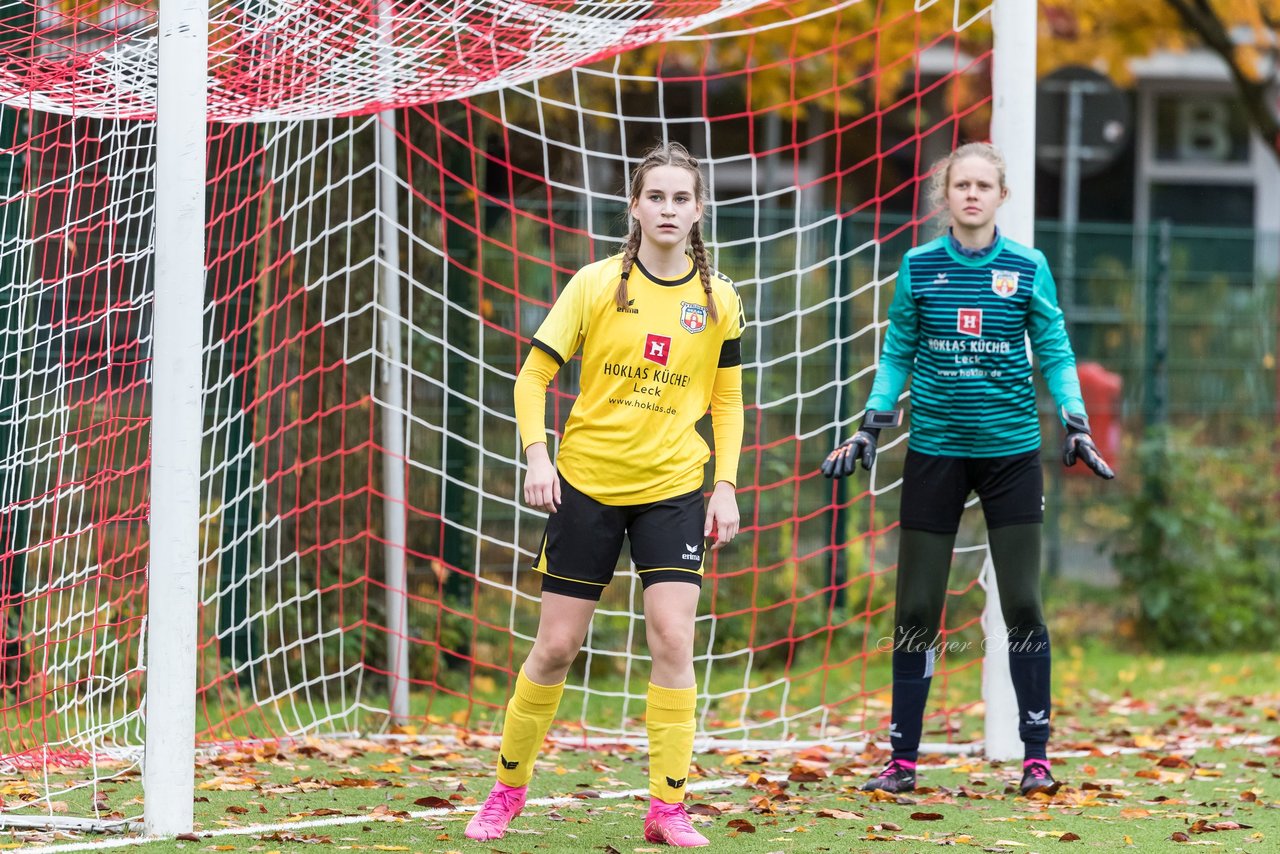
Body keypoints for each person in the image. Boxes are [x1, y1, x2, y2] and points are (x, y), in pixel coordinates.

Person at [466, 141, 745, 848]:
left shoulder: (719, 300)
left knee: (674, 637)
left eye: (682, 198)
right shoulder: (593, 284)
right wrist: (538, 456)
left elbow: (729, 399)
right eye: (657, 197)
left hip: (676, 488)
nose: (669, 209)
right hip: (585, 484)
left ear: (699, 210)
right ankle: (506, 790)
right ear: (635, 207)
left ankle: (667, 807)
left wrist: (726, 486)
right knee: (557, 646)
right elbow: (532, 377)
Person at [822, 141, 1113, 798]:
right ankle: (903, 762)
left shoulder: (1027, 265)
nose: (973, 194)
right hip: (935, 455)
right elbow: (898, 351)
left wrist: (1074, 419)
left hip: (1011, 457)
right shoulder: (920, 267)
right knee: (917, 608)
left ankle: (1036, 758)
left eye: (985, 185)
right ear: (944, 196)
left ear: (1001, 196)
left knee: (1025, 606)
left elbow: (1057, 351)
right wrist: (872, 420)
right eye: (963, 185)